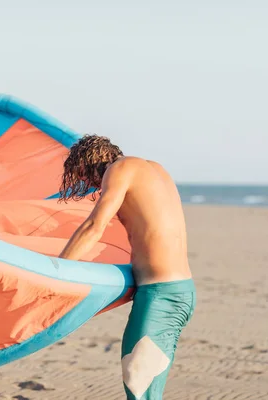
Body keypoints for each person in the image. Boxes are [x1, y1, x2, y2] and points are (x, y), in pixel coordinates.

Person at [58, 134, 196, 400]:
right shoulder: (155, 171)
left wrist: (59, 271)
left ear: (91, 162)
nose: (87, 184)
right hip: (178, 291)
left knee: (138, 380)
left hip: (162, 295)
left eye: (83, 176)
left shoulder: (120, 168)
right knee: (144, 382)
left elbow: (94, 226)